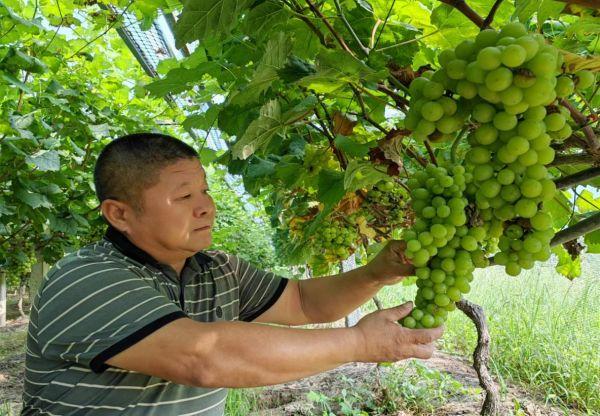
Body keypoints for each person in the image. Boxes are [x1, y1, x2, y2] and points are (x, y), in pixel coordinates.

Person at [21, 133, 443, 415]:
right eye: (184, 195)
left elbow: (303, 301)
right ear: (120, 214)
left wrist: (376, 272)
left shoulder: (218, 268)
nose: (205, 206)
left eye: (204, 190)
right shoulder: (84, 280)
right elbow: (204, 356)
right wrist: (358, 342)